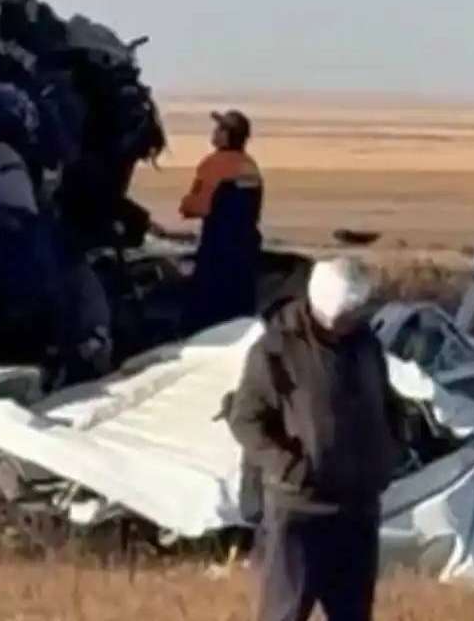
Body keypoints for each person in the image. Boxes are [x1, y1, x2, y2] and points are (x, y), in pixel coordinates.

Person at [226, 258, 406, 621]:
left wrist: (388, 454)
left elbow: (387, 403)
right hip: (300, 511)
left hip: (357, 509)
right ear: (324, 309)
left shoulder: (366, 346)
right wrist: (290, 467)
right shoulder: (274, 350)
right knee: (284, 614)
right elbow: (246, 419)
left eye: (357, 312)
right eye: (347, 315)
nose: (353, 320)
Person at [181, 110, 265, 334]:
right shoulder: (251, 166)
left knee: (206, 318)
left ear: (228, 135)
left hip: (218, 252)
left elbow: (196, 207)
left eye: (219, 129)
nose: (215, 133)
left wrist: (186, 203)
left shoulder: (213, 165)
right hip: (246, 250)